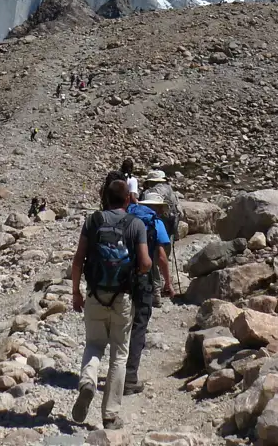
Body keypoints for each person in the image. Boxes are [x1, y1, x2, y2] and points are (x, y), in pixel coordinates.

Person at [71, 179, 150, 430]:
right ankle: (110, 415)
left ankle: (87, 382)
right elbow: (146, 262)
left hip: (95, 294)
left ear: (105, 197)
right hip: (123, 298)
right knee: (119, 354)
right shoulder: (135, 224)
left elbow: (78, 259)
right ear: (128, 199)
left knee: (94, 344)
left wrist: (76, 292)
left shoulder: (93, 221)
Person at [124, 192, 174, 395]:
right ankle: (129, 377)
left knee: (121, 323)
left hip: (121, 276)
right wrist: (167, 282)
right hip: (143, 278)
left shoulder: (127, 215)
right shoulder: (155, 222)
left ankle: (114, 371)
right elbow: (161, 256)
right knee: (139, 325)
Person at [141, 169, 181, 305]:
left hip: (154, 226)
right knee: (162, 256)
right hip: (168, 226)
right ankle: (164, 285)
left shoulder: (148, 193)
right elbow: (178, 210)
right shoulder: (170, 190)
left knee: (153, 256)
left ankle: (155, 291)